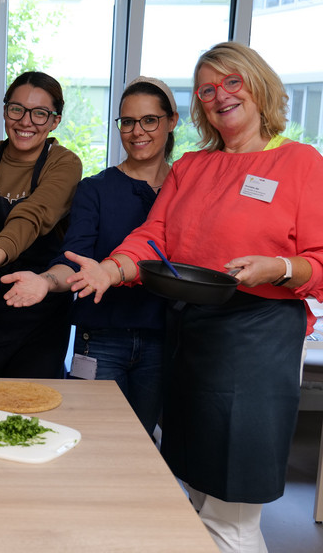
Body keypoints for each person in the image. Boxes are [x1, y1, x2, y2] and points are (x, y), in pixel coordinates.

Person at [64, 42, 323, 553]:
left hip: (258, 340)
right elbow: (154, 236)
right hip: (192, 336)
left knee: (231, 517)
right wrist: (111, 269)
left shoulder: (301, 163)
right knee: (198, 497)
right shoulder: (192, 166)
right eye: (207, 89)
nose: (220, 95)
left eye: (232, 82)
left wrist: (278, 267)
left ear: (259, 84)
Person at [0, 77, 178, 437]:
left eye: (149, 120)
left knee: (141, 442)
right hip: (99, 339)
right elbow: (73, 260)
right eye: (128, 122)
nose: (137, 131)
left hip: (163, 339)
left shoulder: (186, 189)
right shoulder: (95, 189)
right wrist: (45, 281)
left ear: (171, 121)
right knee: (93, 437)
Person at [0, 71, 82, 378]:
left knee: (35, 398)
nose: (26, 122)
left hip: (42, 310)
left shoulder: (64, 163)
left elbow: (32, 214)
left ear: (55, 121)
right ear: (5, 111)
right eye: (16, 109)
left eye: (40, 113)